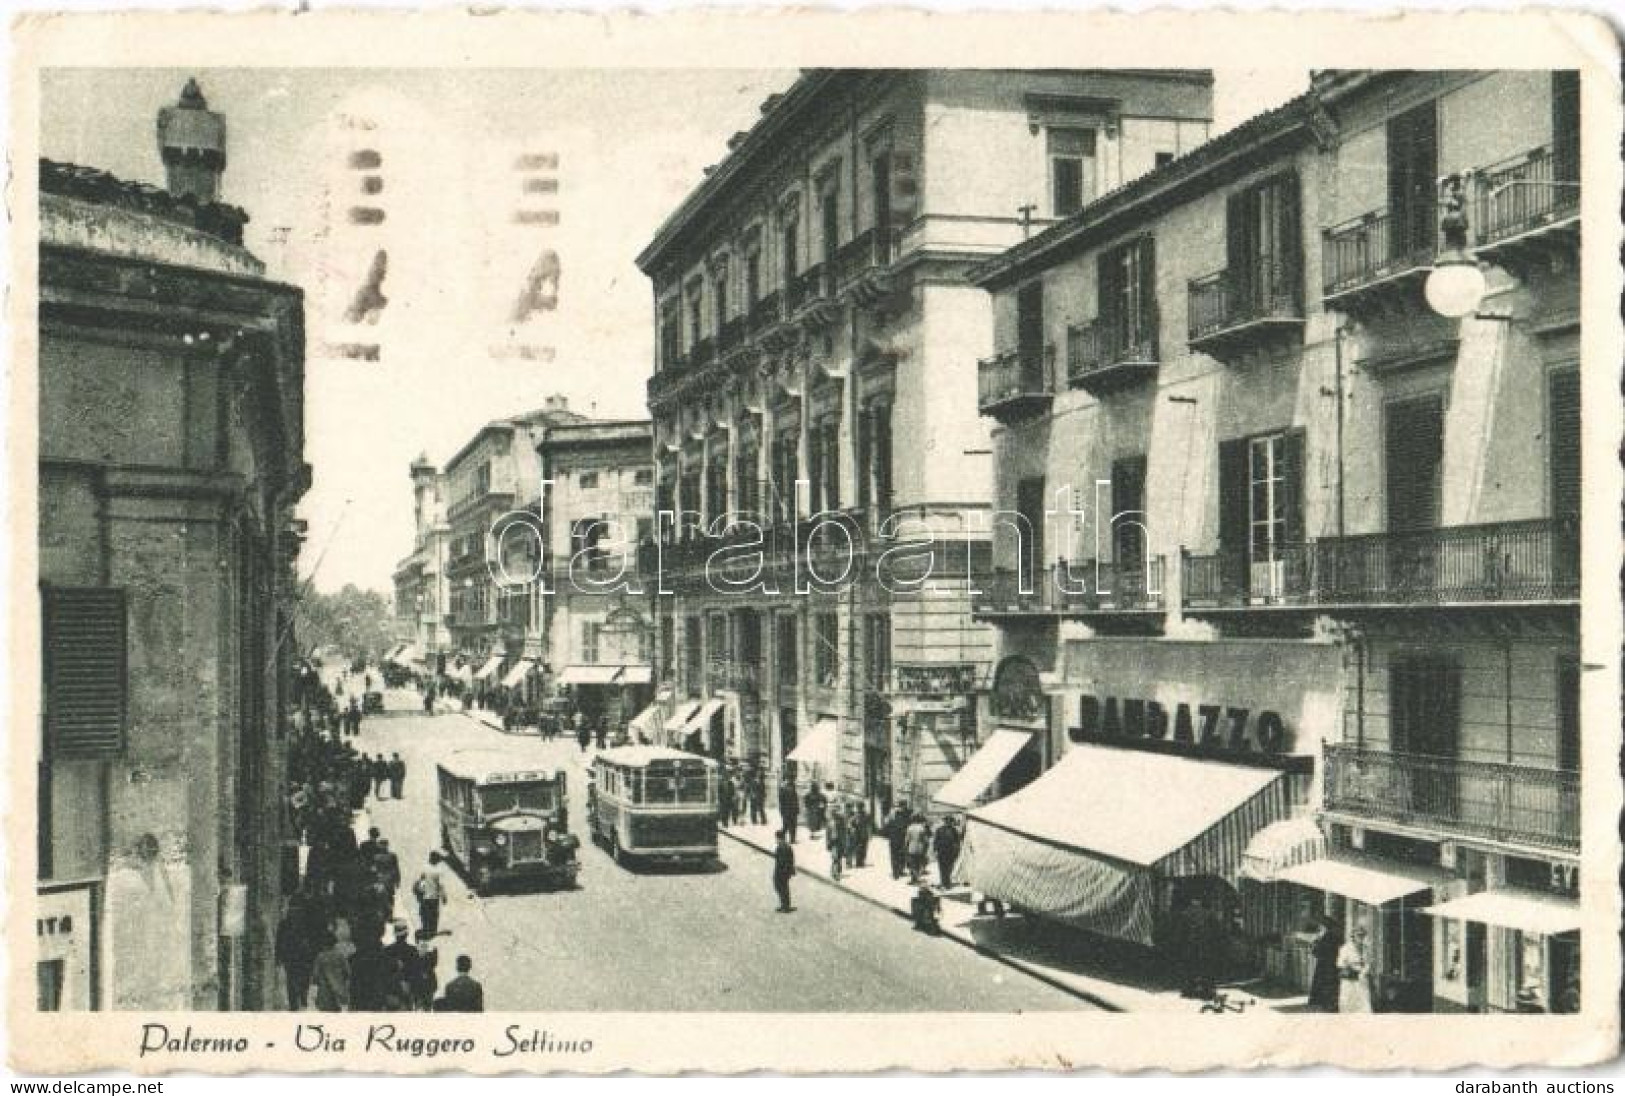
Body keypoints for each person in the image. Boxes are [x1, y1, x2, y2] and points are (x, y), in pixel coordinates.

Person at [275, 897, 319, 1010]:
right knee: (293, 978)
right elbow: (279, 940)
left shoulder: (307, 923)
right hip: (292, 956)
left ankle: (301, 998)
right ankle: (294, 1002)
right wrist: (278, 955)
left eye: (298, 908)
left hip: (304, 955)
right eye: (293, 908)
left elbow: (314, 939)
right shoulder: (285, 924)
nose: (295, 911)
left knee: (303, 977)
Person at [311, 919, 355, 1012]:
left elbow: (315, 975)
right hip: (338, 993)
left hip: (324, 994)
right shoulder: (340, 956)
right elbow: (347, 972)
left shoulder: (320, 957)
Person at [1307, 914, 1344, 1013]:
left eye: (1322, 926)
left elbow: (1317, 952)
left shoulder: (1325, 937)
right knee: (1331, 984)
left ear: (1325, 927)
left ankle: (1326, 1004)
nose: (1320, 928)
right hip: (1333, 965)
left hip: (1324, 965)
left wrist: (1314, 944)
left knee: (1324, 984)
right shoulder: (1336, 936)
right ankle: (1331, 1004)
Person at [1337, 925, 1374, 1013]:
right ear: (1353, 936)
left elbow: (1369, 962)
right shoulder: (1345, 948)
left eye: (1363, 935)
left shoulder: (1366, 949)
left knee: (1364, 1005)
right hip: (1350, 980)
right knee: (1348, 1005)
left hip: (1362, 979)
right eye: (1358, 935)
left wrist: (1364, 971)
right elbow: (1340, 963)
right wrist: (1351, 968)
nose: (1361, 937)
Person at [413, 852, 447, 937]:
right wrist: (444, 896)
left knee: (424, 913)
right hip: (434, 897)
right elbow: (441, 885)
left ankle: (426, 929)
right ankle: (432, 931)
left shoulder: (424, 868)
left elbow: (420, 881)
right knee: (434, 914)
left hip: (424, 896)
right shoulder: (438, 871)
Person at [407, 930, 440, 1011]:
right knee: (423, 1007)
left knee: (424, 1007)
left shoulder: (428, 955)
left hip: (424, 988)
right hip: (422, 988)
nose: (424, 945)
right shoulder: (414, 955)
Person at [932, 815, 962, 890]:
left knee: (947, 868)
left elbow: (957, 842)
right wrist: (935, 850)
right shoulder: (940, 830)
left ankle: (946, 882)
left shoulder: (953, 830)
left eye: (949, 821)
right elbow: (936, 841)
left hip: (949, 852)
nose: (948, 822)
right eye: (947, 821)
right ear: (945, 822)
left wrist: (957, 851)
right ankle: (944, 882)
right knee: (943, 868)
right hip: (943, 852)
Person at [772, 830, 796, 913]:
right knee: (784, 888)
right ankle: (785, 905)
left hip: (781, 871)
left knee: (780, 887)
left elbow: (782, 861)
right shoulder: (787, 846)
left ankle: (785, 906)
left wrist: (781, 871)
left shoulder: (781, 847)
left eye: (776, 838)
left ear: (779, 838)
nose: (776, 840)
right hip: (786, 871)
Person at [904, 812, 931, 884]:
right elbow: (925, 840)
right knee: (918, 863)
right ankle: (916, 878)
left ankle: (913, 879)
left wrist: (906, 847)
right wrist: (926, 848)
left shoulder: (909, 828)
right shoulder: (922, 828)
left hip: (911, 848)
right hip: (920, 848)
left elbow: (907, 839)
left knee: (912, 864)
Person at [883, 804, 909, 879]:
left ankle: (895, 872)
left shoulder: (891, 821)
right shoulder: (905, 821)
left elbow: (885, 831)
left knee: (894, 856)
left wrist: (889, 836)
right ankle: (900, 870)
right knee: (901, 856)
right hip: (901, 841)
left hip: (893, 841)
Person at [826, 801, 849, 881]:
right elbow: (828, 833)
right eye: (832, 812)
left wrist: (845, 843)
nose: (833, 813)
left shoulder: (841, 820)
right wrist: (827, 843)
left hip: (840, 841)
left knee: (838, 857)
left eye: (834, 811)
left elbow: (844, 832)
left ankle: (836, 871)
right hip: (833, 842)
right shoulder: (830, 821)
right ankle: (835, 872)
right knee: (835, 857)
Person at [847, 801, 871, 869]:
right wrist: (852, 829)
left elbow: (869, 825)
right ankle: (858, 861)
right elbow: (850, 824)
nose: (860, 809)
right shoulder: (855, 816)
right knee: (858, 848)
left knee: (864, 848)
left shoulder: (866, 815)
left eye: (861, 807)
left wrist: (870, 833)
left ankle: (861, 861)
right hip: (857, 835)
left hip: (864, 834)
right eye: (859, 807)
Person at [777, 778, 800, 843]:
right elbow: (795, 801)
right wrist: (797, 810)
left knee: (787, 826)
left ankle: (782, 836)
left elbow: (781, 802)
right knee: (791, 826)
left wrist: (782, 811)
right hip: (790, 811)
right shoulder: (787, 791)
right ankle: (790, 839)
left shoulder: (783, 790)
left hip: (788, 811)